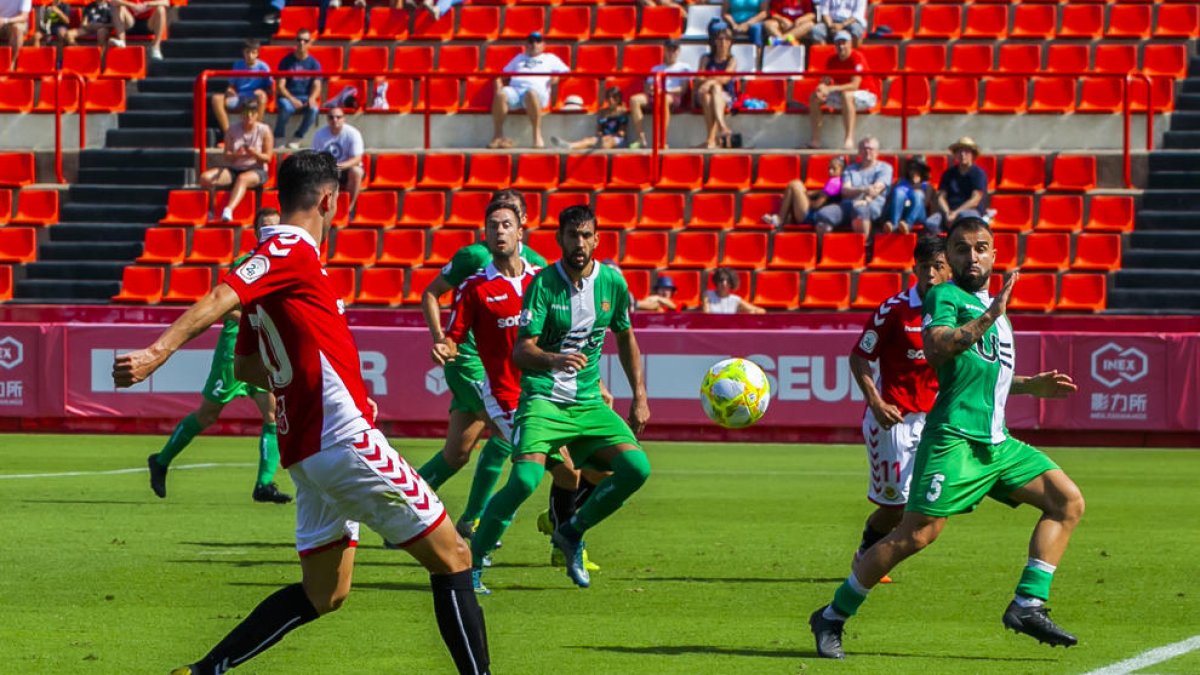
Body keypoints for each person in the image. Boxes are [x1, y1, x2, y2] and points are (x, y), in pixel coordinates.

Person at [114, 151, 491, 675]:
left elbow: (247, 364)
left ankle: (204, 671)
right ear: (330, 199)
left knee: (326, 591)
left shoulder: (284, 268)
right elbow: (224, 292)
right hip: (341, 440)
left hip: (309, 451)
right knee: (455, 557)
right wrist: (157, 351)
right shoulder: (289, 248)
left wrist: (319, 389)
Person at [809, 215, 1085, 660]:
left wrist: (1029, 384)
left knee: (1067, 501)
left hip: (995, 444)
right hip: (953, 439)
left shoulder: (987, 306)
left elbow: (980, 375)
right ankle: (833, 615)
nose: (971, 256)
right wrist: (993, 313)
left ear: (994, 254)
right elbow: (938, 348)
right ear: (949, 258)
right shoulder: (945, 295)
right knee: (913, 536)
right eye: (961, 248)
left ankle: (1027, 604)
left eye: (980, 247)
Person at [470, 204, 652, 594]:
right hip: (542, 400)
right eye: (573, 235)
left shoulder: (612, 284)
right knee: (523, 480)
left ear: (597, 239)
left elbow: (625, 336)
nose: (580, 243)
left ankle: (571, 531)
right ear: (560, 239)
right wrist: (554, 359)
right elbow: (521, 352)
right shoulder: (543, 285)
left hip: (586, 403)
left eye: (586, 235)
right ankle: (470, 565)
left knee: (636, 469)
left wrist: (639, 395)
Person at [417, 189, 548, 538]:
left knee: (458, 453)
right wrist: (440, 341)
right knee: (509, 431)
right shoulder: (474, 257)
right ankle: (474, 521)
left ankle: (402, 509)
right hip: (468, 361)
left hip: (503, 365)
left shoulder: (537, 265)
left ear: (522, 225)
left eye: (511, 221)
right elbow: (430, 292)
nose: (502, 230)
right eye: (496, 223)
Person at [145, 207, 292, 505]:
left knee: (272, 415)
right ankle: (161, 460)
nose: (270, 233)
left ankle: (264, 484)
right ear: (256, 232)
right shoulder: (245, 265)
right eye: (265, 227)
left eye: (276, 227)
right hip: (234, 349)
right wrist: (256, 321)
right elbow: (224, 306)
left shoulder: (283, 266)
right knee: (208, 414)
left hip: (264, 351)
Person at [846, 235, 949, 584]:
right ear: (915, 268)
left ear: (949, 269)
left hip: (934, 422)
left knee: (929, 505)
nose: (932, 274)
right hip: (894, 421)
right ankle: (866, 552)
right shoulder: (895, 309)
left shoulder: (957, 310)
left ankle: (875, 559)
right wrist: (876, 402)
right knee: (894, 506)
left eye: (939, 267)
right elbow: (860, 356)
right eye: (925, 267)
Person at [489, 31, 568, 150]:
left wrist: (556, 77)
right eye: (531, 42)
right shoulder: (519, 58)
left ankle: (537, 135)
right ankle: (498, 136)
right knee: (501, 94)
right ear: (526, 44)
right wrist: (498, 84)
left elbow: (566, 72)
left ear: (543, 44)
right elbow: (503, 74)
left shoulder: (550, 58)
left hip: (536, 92)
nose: (534, 44)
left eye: (538, 41)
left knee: (531, 93)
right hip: (516, 91)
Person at [199, 98, 273, 223]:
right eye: (245, 113)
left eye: (251, 113)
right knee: (205, 178)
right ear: (241, 115)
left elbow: (268, 158)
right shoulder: (232, 129)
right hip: (235, 167)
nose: (248, 116)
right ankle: (210, 211)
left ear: (256, 115)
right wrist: (236, 155)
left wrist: (253, 153)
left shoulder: (264, 130)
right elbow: (226, 155)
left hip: (256, 169)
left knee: (243, 179)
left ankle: (228, 209)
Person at [807, 30, 878, 151]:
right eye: (838, 43)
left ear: (850, 44)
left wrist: (831, 88)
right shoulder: (832, 60)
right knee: (815, 97)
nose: (841, 46)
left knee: (847, 95)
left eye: (844, 43)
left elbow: (855, 85)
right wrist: (822, 88)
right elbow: (827, 81)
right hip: (843, 94)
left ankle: (849, 139)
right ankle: (816, 140)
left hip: (866, 95)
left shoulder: (857, 57)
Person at [812, 136, 891, 235]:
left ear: (877, 152)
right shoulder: (850, 169)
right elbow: (845, 191)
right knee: (823, 214)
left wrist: (865, 200)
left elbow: (877, 188)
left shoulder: (884, 168)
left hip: (871, 205)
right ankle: (825, 249)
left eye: (870, 149)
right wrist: (864, 189)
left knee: (859, 210)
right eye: (864, 148)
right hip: (848, 205)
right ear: (859, 151)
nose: (867, 151)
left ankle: (863, 246)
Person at [628, 39, 692, 150]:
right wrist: (651, 89)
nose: (671, 53)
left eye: (674, 50)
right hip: (656, 94)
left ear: (678, 51)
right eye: (669, 50)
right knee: (634, 100)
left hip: (672, 96)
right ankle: (641, 138)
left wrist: (664, 91)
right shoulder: (656, 68)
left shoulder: (684, 67)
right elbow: (647, 87)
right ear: (665, 51)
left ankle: (661, 140)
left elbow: (683, 88)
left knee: (664, 99)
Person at [924, 136, 989, 235]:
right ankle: (941, 246)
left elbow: (975, 199)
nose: (963, 155)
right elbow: (941, 197)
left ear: (973, 154)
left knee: (964, 220)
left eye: (966, 152)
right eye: (960, 151)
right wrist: (947, 212)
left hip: (969, 211)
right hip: (949, 211)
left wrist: (956, 212)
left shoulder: (978, 174)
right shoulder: (948, 174)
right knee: (931, 223)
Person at [211, 38, 272, 137]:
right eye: (248, 52)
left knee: (262, 97)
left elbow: (270, 89)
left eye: (253, 52)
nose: (250, 56)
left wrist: (262, 91)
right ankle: (229, 135)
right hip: (239, 97)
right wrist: (230, 90)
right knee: (216, 98)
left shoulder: (264, 67)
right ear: (243, 52)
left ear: (257, 53)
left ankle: (255, 132)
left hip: (254, 99)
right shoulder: (237, 64)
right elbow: (231, 86)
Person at [761, 155, 843, 228]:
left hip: (811, 217)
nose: (830, 171)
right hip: (812, 216)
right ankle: (784, 219)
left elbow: (815, 205)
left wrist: (805, 197)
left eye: (834, 169)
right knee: (796, 189)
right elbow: (823, 193)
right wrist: (808, 194)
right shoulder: (838, 182)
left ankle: (780, 220)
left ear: (841, 170)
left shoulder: (834, 183)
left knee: (795, 184)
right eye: (829, 168)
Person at [275, 28, 323, 150]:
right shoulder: (286, 61)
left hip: (305, 97)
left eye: (305, 40)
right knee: (285, 107)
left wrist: (312, 98)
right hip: (288, 97)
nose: (302, 43)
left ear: (310, 43)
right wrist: (292, 99)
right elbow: (280, 86)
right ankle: (279, 136)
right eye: (299, 40)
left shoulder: (314, 64)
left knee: (314, 109)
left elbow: (317, 85)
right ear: (295, 41)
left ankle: (298, 137)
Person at [311, 107, 364, 217]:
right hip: (328, 169)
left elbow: (357, 158)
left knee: (357, 172)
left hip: (346, 168)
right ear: (327, 119)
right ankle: (321, 210)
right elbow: (315, 156)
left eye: (338, 117)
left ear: (344, 119)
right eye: (331, 117)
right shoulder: (320, 134)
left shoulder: (353, 133)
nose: (335, 120)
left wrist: (340, 166)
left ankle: (349, 209)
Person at [696, 29, 739, 149]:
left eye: (726, 39)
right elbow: (699, 77)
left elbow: (725, 79)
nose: (723, 42)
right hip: (706, 92)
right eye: (720, 39)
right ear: (715, 41)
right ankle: (722, 127)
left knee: (714, 89)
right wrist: (711, 82)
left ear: (730, 43)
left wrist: (709, 82)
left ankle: (710, 140)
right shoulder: (706, 58)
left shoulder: (732, 60)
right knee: (708, 94)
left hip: (725, 95)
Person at [552, 86, 629, 150]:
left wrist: (608, 137)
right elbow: (599, 130)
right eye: (609, 97)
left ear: (619, 98)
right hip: (603, 138)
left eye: (614, 97)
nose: (611, 100)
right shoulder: (602, 112)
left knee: (608, 142)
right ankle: (569, 145)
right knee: (588, 140)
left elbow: (621, 133)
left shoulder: (622, 112)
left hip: (617, 139)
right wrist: (601, 136)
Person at [883, 155, 931, 235]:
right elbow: (893, 200)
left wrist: (915, 188)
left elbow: (925, 203)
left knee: (918, 194)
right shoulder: (900, 183)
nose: (913, 171)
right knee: (898, 192)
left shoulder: (926, 186)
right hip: (900, 213)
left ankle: (907, 225)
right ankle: (894, 226)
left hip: (917, 214)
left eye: (917, 169)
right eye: (911, 168)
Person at [0, 0, 30, 69]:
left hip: (15, 22)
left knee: (17, 28)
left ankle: (12, 64)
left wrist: (5, 20)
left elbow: (23, 17)